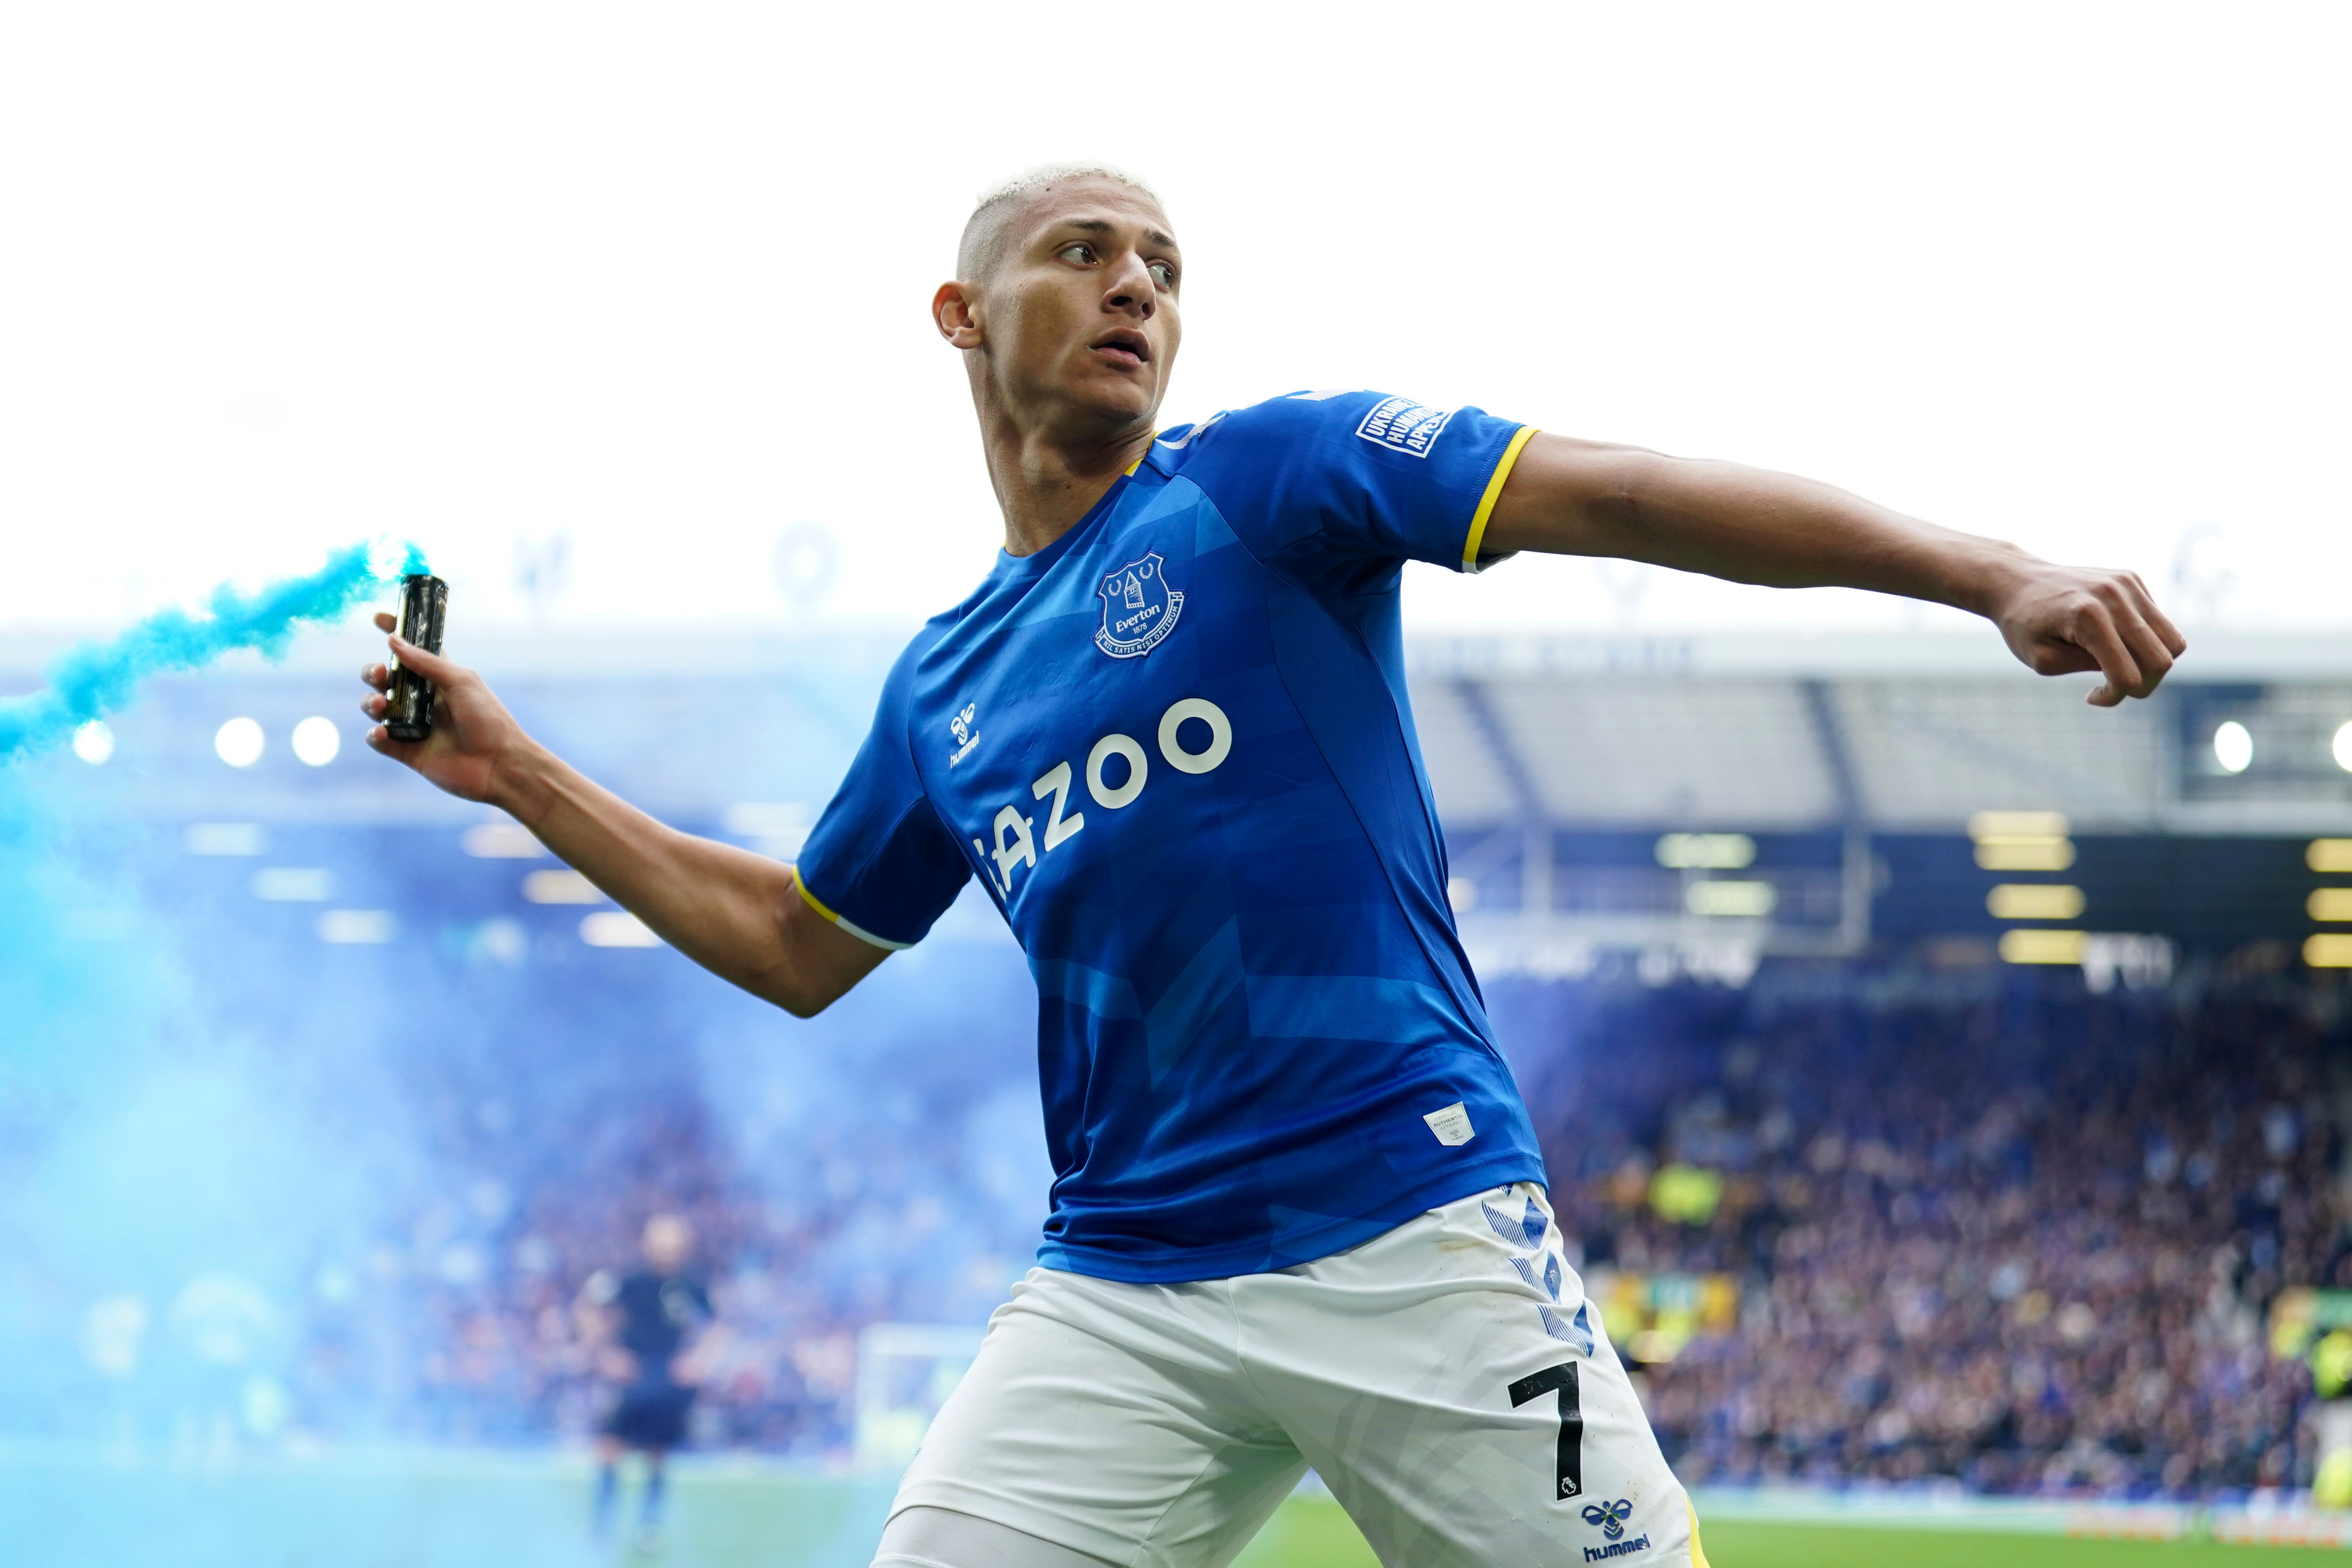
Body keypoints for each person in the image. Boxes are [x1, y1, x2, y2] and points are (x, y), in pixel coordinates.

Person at [361, 163, 2183, 1568]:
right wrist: (511, 766)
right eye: (1081, 248)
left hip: (1407, 1217)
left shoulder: (1269, 478)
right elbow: (794, 935)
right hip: (1121, 1279)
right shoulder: (944, 686)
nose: (1133, 283)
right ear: (956, 310)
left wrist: (1984, 571)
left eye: (1158, 264)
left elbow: (1616, 492)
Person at [579, 1213, 712, 1549]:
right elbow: (587, 1307)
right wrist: (606, 1353)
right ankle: (601, 1526)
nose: (667, 1256)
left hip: (667, 1377)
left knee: (658, 1453)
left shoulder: (690, 1285)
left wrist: (698, 1360)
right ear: (647, 1247)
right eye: (661, 1249)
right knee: (610, 1449)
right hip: (632, 1373)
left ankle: (648, 1526)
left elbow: (717, 1327)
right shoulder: (627, 1280)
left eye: (674, 1249)